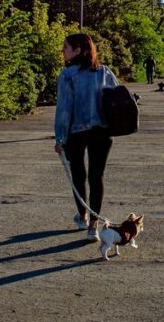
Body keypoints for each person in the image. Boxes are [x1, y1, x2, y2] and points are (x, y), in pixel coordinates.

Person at [54, 33, 119, 240]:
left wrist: (60, 138)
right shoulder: (104, 72)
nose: (63, 50)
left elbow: (64, 110)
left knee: (79, 176)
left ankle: (82, 216)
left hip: (76, 132)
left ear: (78, 50)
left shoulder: (67, 75)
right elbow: (115, 99)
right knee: (96, 177)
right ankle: (94, 226)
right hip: (103, 132)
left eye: (66, 47)